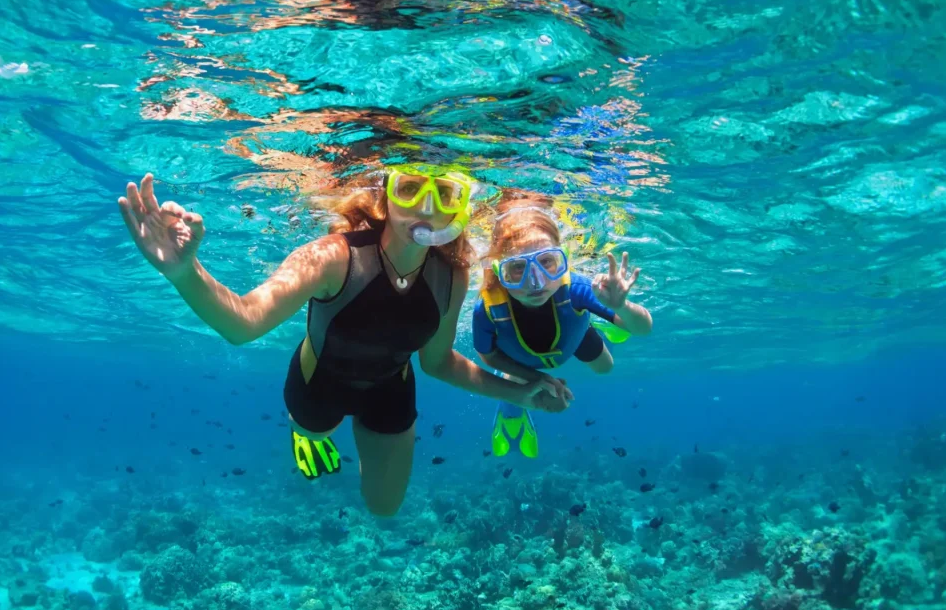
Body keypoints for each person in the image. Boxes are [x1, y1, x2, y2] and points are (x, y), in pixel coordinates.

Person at [117, 168, 570, 516]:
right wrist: (183, 272)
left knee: (384, 508)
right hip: (319, 383)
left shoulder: (452, 274)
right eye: (410, 189)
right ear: (385, 196)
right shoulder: (334, 256)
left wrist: (521, 392)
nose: (427, 208)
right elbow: (244, 323)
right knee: (315, 431)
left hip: (392, 387)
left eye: (445, 194)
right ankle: (306, 434)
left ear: (458, 208)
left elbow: (438, 363)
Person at [473, 196, 653, 459]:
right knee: (515, 384)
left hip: (573, 336)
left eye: (547, 262)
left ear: (563, 259)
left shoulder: (578, 288)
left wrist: (622, 307)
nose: (535, 283)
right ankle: (511, 416)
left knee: (606, 368)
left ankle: (607, 319)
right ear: (499, 271)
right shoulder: (488, 309)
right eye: (517, 269)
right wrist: (538, 379)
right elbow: (487, 356)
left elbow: (643, 328)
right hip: (520, 359)